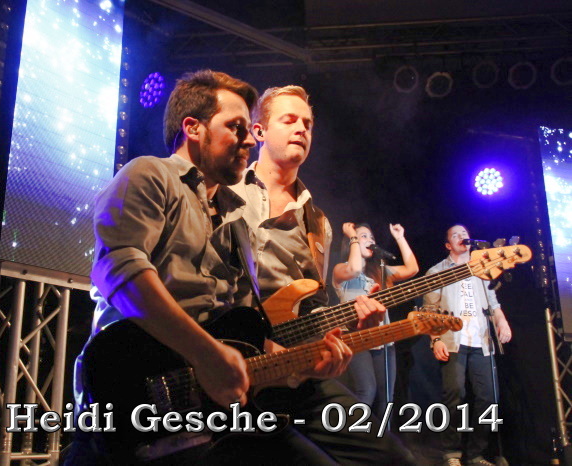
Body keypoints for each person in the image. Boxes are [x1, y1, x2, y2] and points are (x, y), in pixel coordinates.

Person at [67, 71, 355, 465]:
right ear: (193, 128)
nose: (249, 140)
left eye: (248, 130)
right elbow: (118, 270)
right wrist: (205, 354)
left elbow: (243, 337)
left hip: (211, 413)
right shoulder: (150, 174)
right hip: (131, 395)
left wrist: (302, 367)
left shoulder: (236, 222)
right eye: (236, 127)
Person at [230, 85, 415, 465]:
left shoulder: (318, 224)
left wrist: (346, 332)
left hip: (293, 373)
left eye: (308, 124)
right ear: (259, 131)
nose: (301, 128)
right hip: (228, 364)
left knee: (394, 458)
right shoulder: (226, 190)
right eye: (289, 120)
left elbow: (314, 305)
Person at [424, 224, 513, 466]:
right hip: (453, 341)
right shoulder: (437, 271)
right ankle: (451, 453)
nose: (462, 237)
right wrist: (435, 340)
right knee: (455, 395)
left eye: (464, 233)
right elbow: (429, 311)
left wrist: (502, 322)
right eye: (455, 235)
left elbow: (493, 303)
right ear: (448, 245)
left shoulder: (482, 268)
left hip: (481, 341)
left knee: (489, 398)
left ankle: (476, 454)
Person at [332, 222, 419, 422]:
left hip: (382, 338)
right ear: (351, 241)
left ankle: (382, 437)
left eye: (371, 237)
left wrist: (400, 238)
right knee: (367, 391)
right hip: (356, 338)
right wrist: (352, 235)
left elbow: (412, 269)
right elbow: (354, 269)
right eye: (363, 236)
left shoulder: (380, 271)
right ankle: (356, 435)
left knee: (387, 396)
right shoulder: (341, 269)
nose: (370, 240)